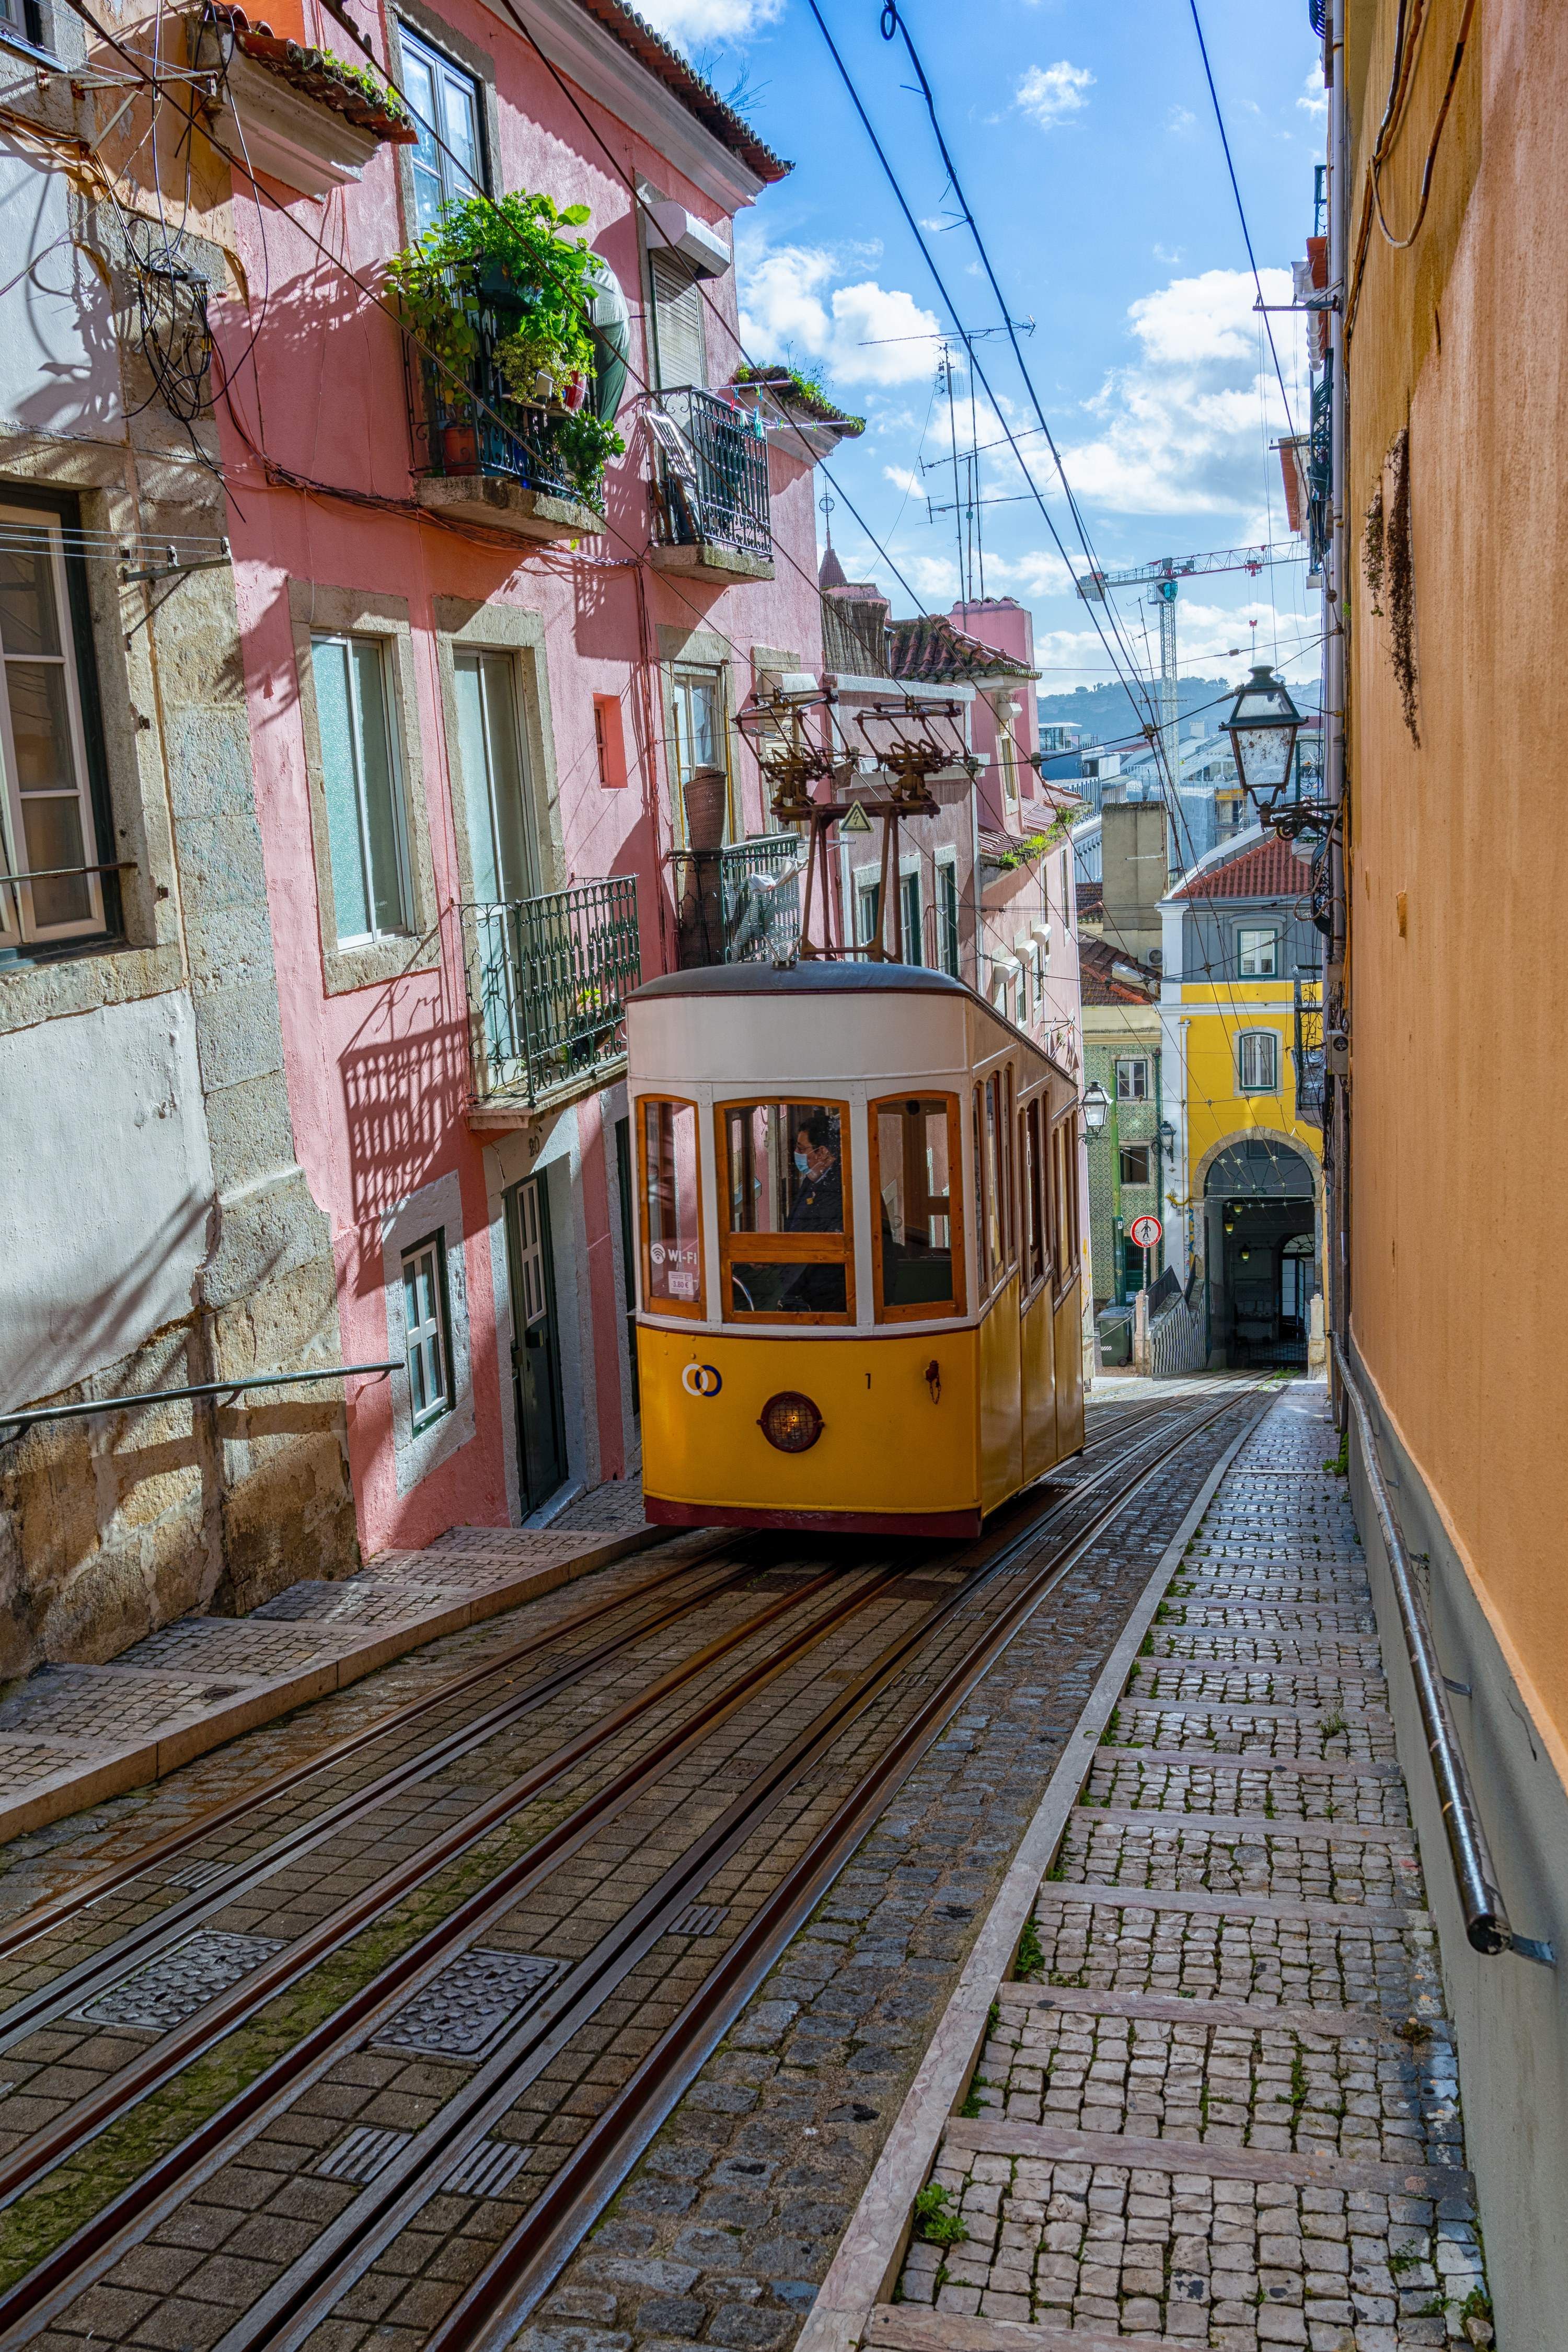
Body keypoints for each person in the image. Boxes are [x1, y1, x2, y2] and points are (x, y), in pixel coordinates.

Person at [781, 1111, 845, 1311]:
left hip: (823, 1298)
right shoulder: (814, 1178)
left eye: (801, 1148)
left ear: (822, 1152)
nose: (797, 1154)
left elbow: (812, 1242)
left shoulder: (838, 1189)